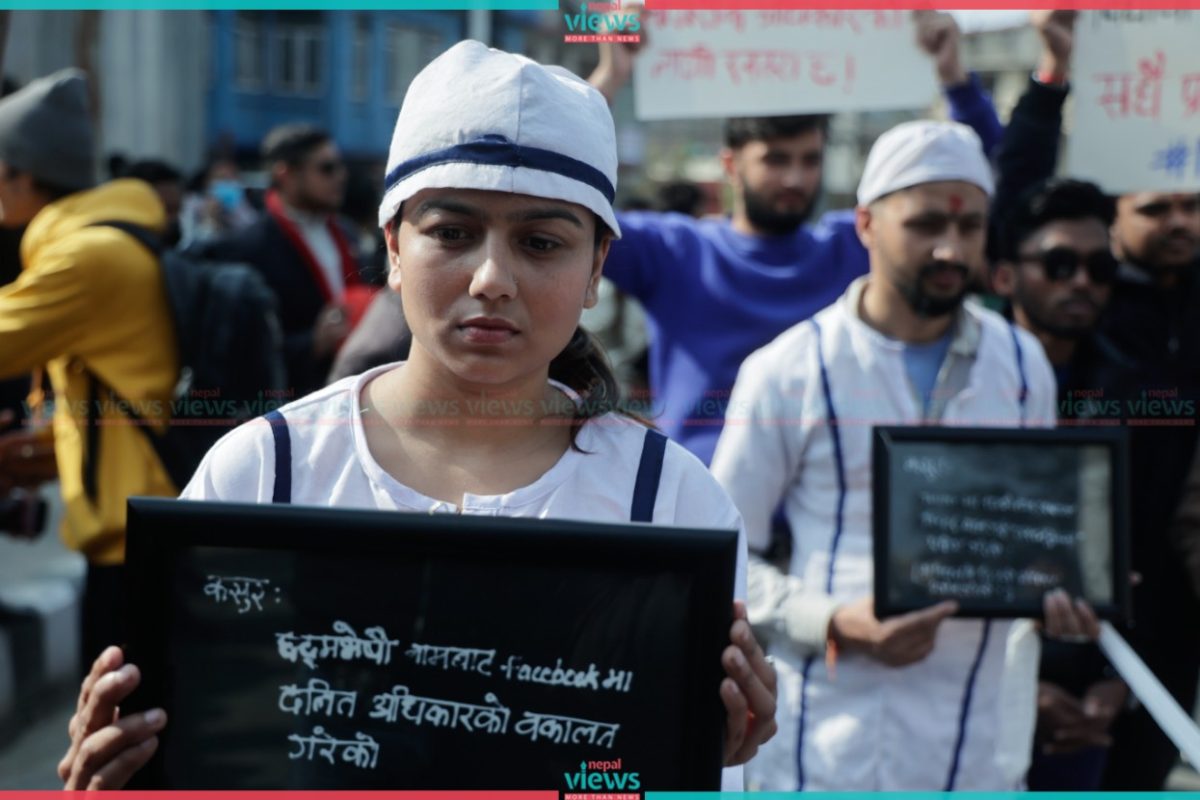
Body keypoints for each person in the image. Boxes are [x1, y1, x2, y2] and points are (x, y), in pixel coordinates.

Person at [56, 40, 777, 791]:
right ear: (394, 247)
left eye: (540, 242)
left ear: (596, 268)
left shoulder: (668, 501)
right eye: (453, 233)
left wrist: (690, 753)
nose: (492, 278)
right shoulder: (267, 470)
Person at [710, 120, 1100, 790]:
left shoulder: (1021, 362)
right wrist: (833, 621)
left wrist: (1070, 581)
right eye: (925, 225)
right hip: (829, 740)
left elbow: (1029, 533)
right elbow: (723, 554)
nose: (951, 248)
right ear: (866, 223)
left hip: (979, 741)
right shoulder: (791, 368)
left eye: (970, 226)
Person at [586, 10, 1004, 466]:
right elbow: (567, 206)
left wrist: (953, 78)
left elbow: (975, 174)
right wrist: (610, 77)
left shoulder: (851, 246)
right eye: (776, 160)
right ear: (731, 165)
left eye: (810, 160)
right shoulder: (674, 251)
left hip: (829, 495)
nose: (795, 178)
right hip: (698, 498)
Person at [0, 70, 178, 669]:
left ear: (22, 175)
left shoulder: (87, 256)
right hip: (139, 527)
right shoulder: (111, 240)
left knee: (120, 716)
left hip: (134, 539)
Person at [990, 177, 1130, 789]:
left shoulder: (1133, 393)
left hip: (1092, 700)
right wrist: (1024, 687)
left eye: (1100, 268)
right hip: (966, 683)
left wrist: (1117, 683)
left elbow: (1146, 545)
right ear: (1004, 276)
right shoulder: (957, 382)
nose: (1081, 282)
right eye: (1059, 264)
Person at [188, 126, 365, 396]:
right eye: (327, 168)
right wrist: (312, 344)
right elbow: (241, 353)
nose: (340, 176)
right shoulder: (248, 247)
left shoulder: (346, 233)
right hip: (294, 400)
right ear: (286, 174)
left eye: (341, 166)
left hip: (354, 387)